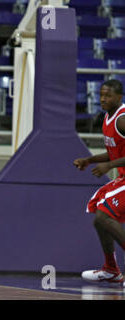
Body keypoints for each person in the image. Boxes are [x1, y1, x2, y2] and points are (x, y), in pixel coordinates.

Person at [74, 79, 125, 285]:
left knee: (104, 217)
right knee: (99, 219)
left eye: (108, 96)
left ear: (119, 98)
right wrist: (90, 160)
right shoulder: (107, 117)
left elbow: (114, 158)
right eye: (101, 95)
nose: (102, 99)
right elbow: (114, 151)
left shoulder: (122, 119)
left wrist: (110, 166)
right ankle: (111, 269)